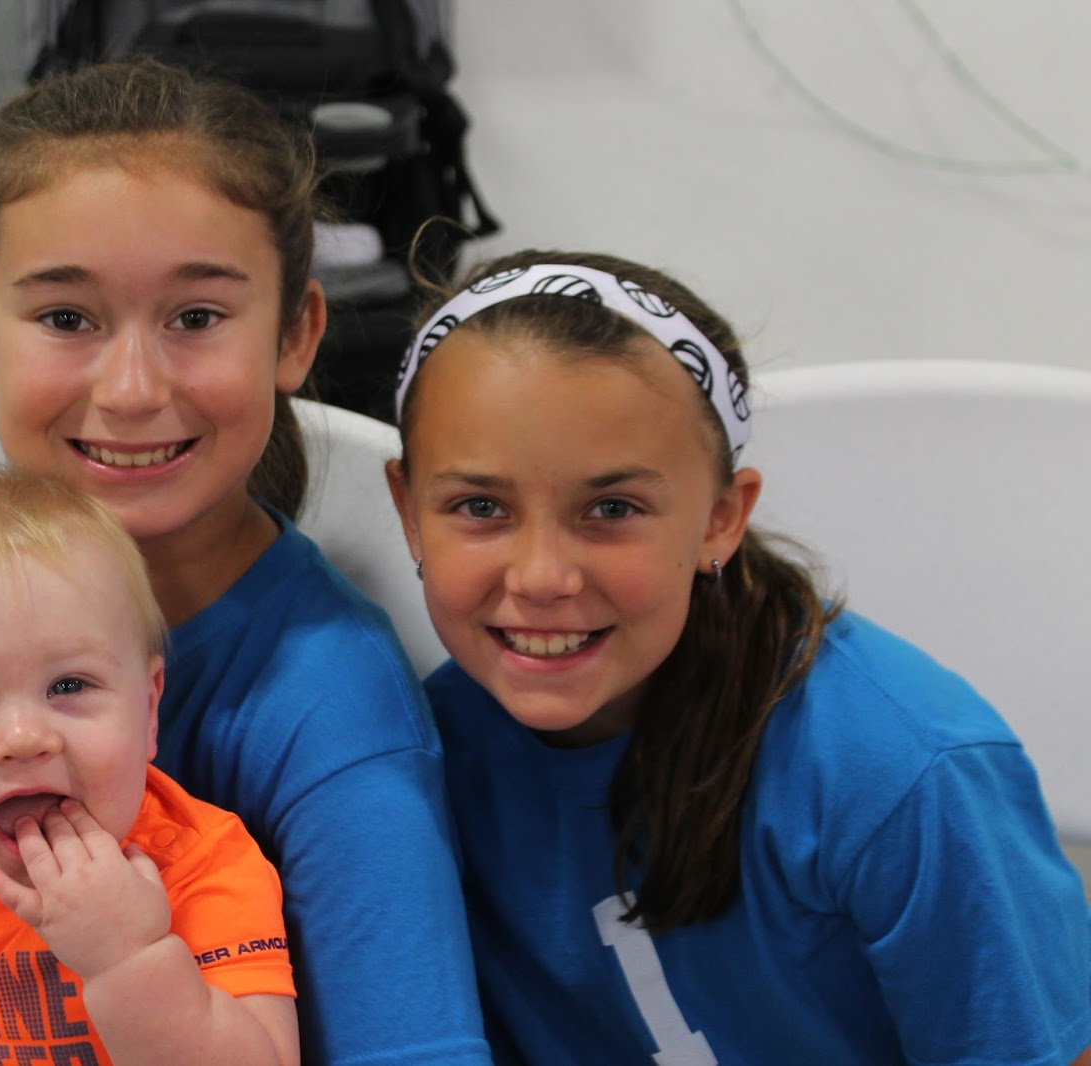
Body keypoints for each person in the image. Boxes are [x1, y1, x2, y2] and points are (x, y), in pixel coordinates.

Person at [0, 58, 488, 1066]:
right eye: (67, 319)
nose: (132, 388)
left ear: (295, 335)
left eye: (196, 318)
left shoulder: (334, 707)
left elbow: (411, 1048)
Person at [384, 250, 1091, 1065]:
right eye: (480, 506)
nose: (543, 578)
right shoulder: (411, 755)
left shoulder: (902, 770)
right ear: (408, 509)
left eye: (612, 509)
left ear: (721, 518)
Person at [0, 467, 297, 1065]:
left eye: (68, 685)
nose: (24, 739)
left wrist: (128, 960)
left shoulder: (202, 871)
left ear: (149, 710)